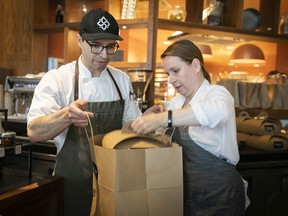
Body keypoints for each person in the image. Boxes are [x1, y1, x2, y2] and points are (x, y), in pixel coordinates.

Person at [27, 8, 141, 216]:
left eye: (110, 47)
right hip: (73, 183)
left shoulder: (121, 80)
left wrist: (148, 122)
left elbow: (130, 129)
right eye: (96, 46)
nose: (104, 55)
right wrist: (65, 116)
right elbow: (34, 132)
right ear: (80, 41)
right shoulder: (58, 79)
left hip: (114, 183)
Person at [131, 39, 246, 215]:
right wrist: (150, 122)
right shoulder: (177, 102)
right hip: (185, 192)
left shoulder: (217, 94)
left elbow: (215, 112)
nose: (171, 80)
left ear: (195, 65)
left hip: (220, 194)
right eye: (168, 73)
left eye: (175, 71)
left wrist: (163, 119)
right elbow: (162, 139)